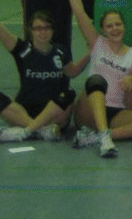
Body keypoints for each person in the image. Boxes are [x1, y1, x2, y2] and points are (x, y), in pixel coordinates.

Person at [52, 0, 132, 158]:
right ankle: (104, 136)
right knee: (96, 80)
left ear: (124, 26)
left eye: (118, 24)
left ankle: (100, 136)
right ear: (102, 30)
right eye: (109, 25)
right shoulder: (98, 44)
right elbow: (78, 11)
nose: (114, 29)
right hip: (89, 111)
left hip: (118, 112)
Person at [0, 13, 88, 142]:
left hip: (53, 114)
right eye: (38, 28)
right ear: (31, 30)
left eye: (47, 28)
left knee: (69, 93)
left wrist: (92, 53)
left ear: (52, 30)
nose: (43, 32)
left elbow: (72, 71)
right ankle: (40, 130)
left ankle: (28, 130)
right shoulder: (23, 50)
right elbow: (2, 32)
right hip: (25, 112)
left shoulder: (60, 51)